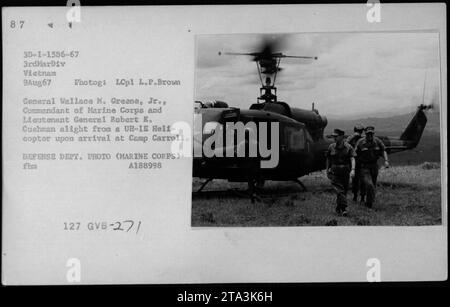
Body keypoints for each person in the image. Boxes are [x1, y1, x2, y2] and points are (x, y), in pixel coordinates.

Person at [355, 126, 389, 208]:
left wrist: (386, 161)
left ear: (373, 134)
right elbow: (354, 152)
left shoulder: (377, 141)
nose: (370, 135)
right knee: (369, 184)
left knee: (372, 184)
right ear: (365, 134)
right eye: (368, 134)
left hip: (374, 166)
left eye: (371, 134)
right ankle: (368, 203)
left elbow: (383, 150)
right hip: (364, 166)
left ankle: (369, 199)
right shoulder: (360, 142)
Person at [326, 129, 356, 216]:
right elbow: (328, 158)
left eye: (336, 136)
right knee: (340, 191)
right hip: (334, 173)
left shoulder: (348, 147)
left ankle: (339, 208)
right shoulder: (331, 147)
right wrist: (327, 169)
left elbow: (352, 158)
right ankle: (344, 209)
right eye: (333, 136)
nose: (334, 138)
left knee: (344, 192)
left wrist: (353, 169)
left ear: (342, 137)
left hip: (345, 173)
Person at [346, 124, 365, 202]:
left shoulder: (363, 139)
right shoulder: (351, 139)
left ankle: (363, 196)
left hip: (361, 162)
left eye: (359, 132)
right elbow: (346, 144)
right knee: (355, 180)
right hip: (354, 162)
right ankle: (355, 195)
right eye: (358, 131)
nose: (359, 133)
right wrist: (353, 136)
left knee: (363, 180)